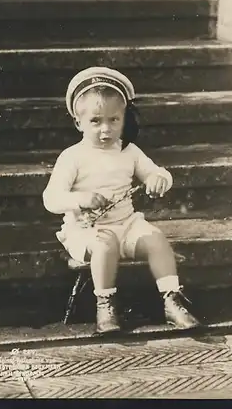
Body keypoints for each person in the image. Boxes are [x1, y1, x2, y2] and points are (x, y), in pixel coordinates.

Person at [43, 67, 200, 334]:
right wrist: (81, 199)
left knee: (156, 239)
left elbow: (157, 171)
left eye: (114, 120)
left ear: (124, 119)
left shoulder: (130, 152)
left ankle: (172, 300)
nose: (106, 129)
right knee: (105, 244)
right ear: (78, 123)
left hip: (126, 224)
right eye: (96, 121)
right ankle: (105, 303)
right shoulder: (73, 156)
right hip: (87, 231)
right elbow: (51, 198)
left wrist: (158, 179)